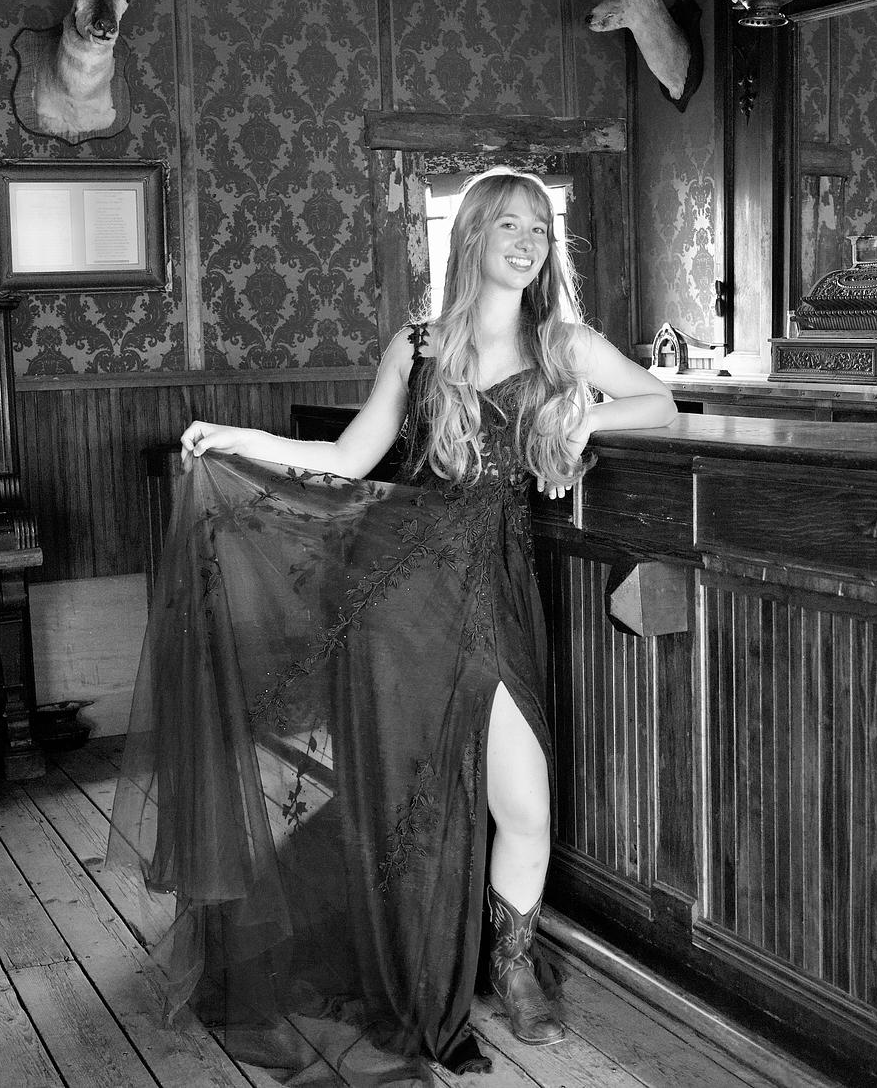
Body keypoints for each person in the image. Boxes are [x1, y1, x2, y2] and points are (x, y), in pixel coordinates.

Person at [110, 168, 676, 1084]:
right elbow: (346, 458)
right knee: (411, 800)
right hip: (401, 593)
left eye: (540, 228)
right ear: (473, 237)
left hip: (499, 587)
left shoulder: (565, 342)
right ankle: (412, 958)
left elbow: (661, 402)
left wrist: (584, 418)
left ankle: (512, 964)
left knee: (523, 800)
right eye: (508, 225)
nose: (527, 241)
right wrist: (238, 439)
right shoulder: (417, 347)